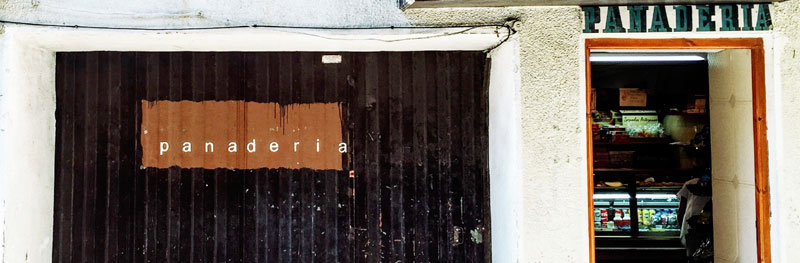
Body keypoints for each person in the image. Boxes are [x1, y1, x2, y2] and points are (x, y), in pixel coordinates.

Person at [677, 175, 712, 260]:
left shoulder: (690, 184)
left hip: (691, 227)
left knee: (692, 255)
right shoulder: (715, 183)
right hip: (709, 227)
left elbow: (681, 210)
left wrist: (681, 227)